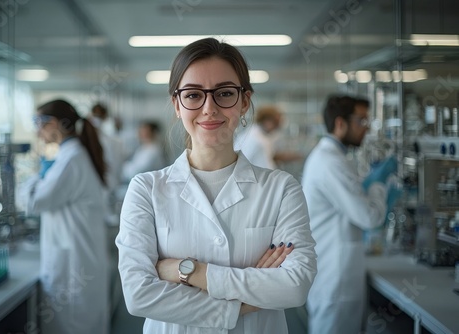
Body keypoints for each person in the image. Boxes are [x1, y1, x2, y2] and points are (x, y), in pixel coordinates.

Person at [115, 37, 317, 334]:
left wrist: (191, 271)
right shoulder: (146, 189)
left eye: (224, 93)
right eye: (194, 95)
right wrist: (245, 301)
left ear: (245, 101)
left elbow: (295, 287)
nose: (209, 108)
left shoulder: (281, 188)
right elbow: (138, 295)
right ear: (177, 105)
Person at [301, 95, 398, 334]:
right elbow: (369, 217)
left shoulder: (332, 158)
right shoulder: (330, 162)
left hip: (334, 271)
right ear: (340, 123)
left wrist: (368, 185)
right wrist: (379, 185)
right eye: (361, 121)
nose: (366, 129)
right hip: (335, 278)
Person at [19, 99, 109, 334]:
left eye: (40, 122)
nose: (37, 130)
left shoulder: (71, 159)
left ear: (57, 123)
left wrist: (35, 178)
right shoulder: (70, 156)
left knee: (72, 324)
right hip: (78, 257)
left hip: (73, 264)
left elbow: (34, 202)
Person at [236, 104, 302, 169]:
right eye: (276, 124)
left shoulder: (259, 135)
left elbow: (265, 156)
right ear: (267, 121)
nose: (277, 128)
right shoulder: (256, 139)